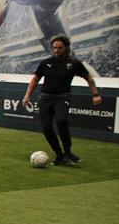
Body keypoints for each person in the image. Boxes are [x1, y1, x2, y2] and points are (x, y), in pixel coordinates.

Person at [23, 35, 101, 165]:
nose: (57, 50)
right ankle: (59, 155)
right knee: (47, 128)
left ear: (66, 48)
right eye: (54, 48)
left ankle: (68, 152)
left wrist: (96, 94)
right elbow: (35, 80)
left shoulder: (74, 63)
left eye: (60, 48)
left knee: (61, 121)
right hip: (45, 98)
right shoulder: (46, 63)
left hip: (62, 97)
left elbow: (89, 78)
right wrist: (27, 96)